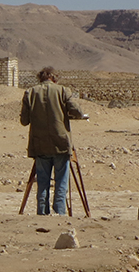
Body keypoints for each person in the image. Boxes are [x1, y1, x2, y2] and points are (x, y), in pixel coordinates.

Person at [20, 66, 87, 215]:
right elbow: (78, 112)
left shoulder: (30, 93)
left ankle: (42, 213)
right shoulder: (63, 91)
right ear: (54, 78)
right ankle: (60, 213)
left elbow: (24, 121)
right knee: (61, 182)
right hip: (60, 143)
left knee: (42, 182)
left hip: (39, 144)